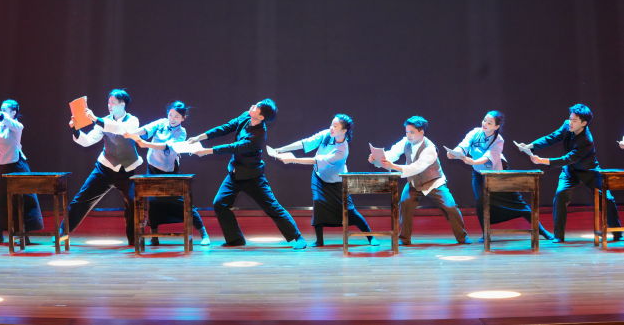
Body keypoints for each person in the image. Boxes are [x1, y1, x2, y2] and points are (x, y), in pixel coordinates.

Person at [189, 99, 307, 249]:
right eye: (256, 104)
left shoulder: (259, 135)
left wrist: (207, 151)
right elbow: (226, 127)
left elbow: (235, 147)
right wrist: (199, 137)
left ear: (261, 117)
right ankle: (235, 239)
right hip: (234, 173)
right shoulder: (246, 116)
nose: (253, 106)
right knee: (220, 203)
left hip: (252, 177)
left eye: (257, 107)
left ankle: (297, 238)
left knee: (272, 207)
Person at [518, 103, 622, 243]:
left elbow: (568, 158)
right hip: (570, 171)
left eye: (574, 120)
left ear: (584, 123)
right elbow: (552, 137)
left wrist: (542, 161)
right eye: (570, 118)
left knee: (607, 199)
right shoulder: (567, 125)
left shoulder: (586, 140)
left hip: (588, 170)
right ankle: (558, 236)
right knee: (560, 195)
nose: (570, 123)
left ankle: (617, 233)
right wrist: (530, 146)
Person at [273, 114, 379, 247]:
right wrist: (282, 149)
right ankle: (319, 240)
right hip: (319, 176)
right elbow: (305, 142)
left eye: (335, 126)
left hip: (337, 181)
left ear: (344, 130)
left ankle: (370, 236)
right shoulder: (326, 134)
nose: (331, 128)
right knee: (318, 203)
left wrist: (293, 160)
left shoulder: (342, 150)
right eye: (331, 125)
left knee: (349, 210)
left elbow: (316, 160)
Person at [448, 110, 553, 241]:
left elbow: (488, 157)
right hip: (479, 174)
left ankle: (542, 231)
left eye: (489, 123)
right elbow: (463, 145)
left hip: (498, 174)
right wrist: (454, 153)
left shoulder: (498, 140)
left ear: (496, 126)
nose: (485, 124)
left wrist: (473, 161)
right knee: (481, 203)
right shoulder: (474, 132)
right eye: (484, 120)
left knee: (519, 203)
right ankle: (486, 233)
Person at [374, 115, 470, 245]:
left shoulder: (430, 148)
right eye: (407, 132)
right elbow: (392, 153)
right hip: (414, 183)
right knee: (405, 204)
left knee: (450, 207)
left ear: (421, 132)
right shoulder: (405, 142)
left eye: (412, 132)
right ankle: (404, 239)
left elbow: (416, 167)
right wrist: (377, 159)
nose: (408, 135)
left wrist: (393, 166)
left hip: (433, 183)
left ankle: (462, 237)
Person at [125, 101, 210, 246]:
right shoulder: (161, 123)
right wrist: (131, 134)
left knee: (182, 202)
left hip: (170, 171)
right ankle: (154, 236)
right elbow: (145, 129)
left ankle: (203, 233)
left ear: (183, 118)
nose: (172, 118)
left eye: (177, 116)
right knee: (153, 202)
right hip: (152, 168)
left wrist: (146, 144)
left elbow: (167, 146)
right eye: (171, 115)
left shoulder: (182, 132)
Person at [64, 89, 142, 245]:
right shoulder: (103, 121)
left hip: (127, 171)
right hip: (104, 169)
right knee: (81, 199)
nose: (109, 105)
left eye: (113, 102)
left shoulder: (133, 120)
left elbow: (121, 129)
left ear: (123, 104)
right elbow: (88, 141)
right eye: (108, 102)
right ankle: (62, 232)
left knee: (134, 203)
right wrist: (75, 129)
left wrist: (96, 119)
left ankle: (134, 240)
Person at [0, 87, 43, 244]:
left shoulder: (17, 126)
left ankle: (25, 235)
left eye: (5, 109)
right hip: (4, 166)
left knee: (24, 199)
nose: (2, 111)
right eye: (2, 108)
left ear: (13, 112)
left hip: (18, 165)